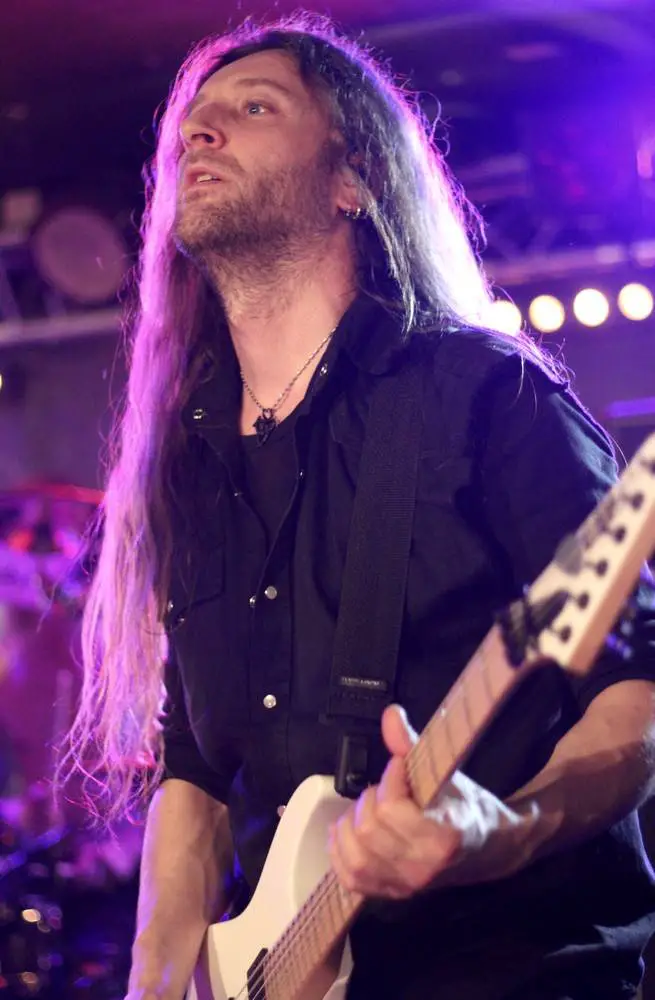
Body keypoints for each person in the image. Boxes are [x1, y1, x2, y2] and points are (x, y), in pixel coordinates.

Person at [68, 14, 655, 1000]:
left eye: (254, 108)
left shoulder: (486, 396)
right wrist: (154, 971)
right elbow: (197, 766)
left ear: (355, 178)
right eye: (194, 120)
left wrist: (504, 831)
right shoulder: (193, 460)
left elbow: (636, 689)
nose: (200, 131)